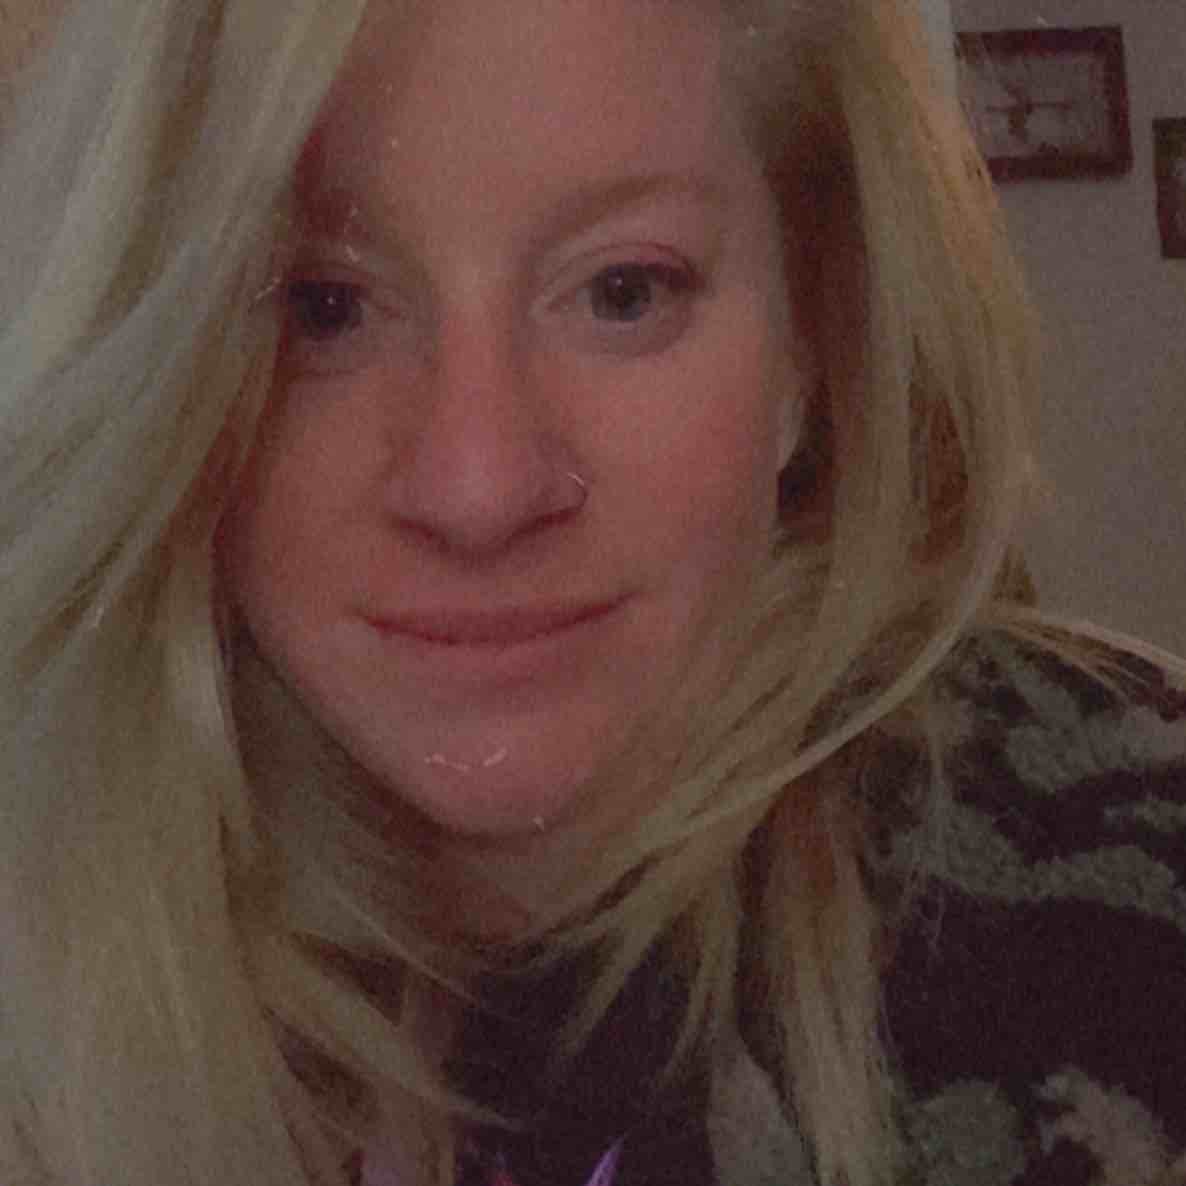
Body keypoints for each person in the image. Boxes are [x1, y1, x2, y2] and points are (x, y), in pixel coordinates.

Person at [0, 2, 1182, 1185]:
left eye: (623, 292)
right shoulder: (57, 948)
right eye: (324, 306)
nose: (477, 488)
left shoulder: (1110, 899)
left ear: (811, 338)